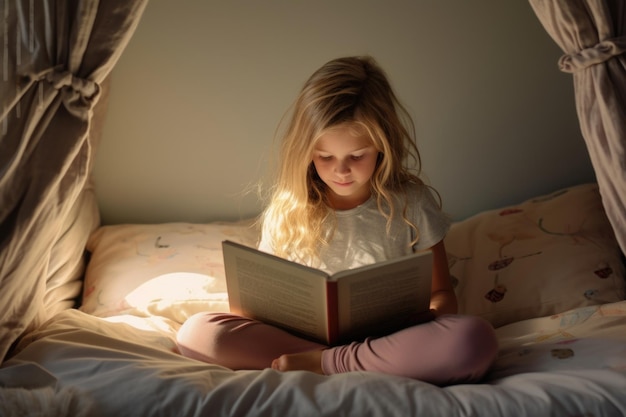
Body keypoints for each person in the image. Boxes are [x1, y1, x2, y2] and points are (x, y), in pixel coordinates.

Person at [176, 56, 498, 385]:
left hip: (386, 343)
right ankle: (328, 359)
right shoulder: (287, 209)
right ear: (305, 151)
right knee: (197, 334)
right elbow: (256, 308)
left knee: (472, 339)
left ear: (383, 147)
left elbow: (443, 294)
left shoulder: (411, 204)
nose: (340, 170)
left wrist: (427, 319)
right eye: (325, 157)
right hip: (308, 342)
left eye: (357, 156)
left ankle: (327, 363)